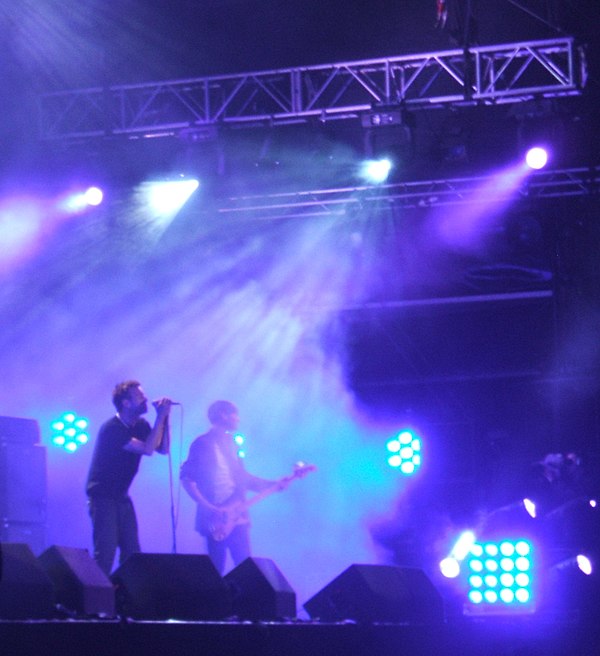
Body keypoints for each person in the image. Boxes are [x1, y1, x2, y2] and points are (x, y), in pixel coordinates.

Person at [180, 400, 281, 574]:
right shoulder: (202, 443)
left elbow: (244, 478)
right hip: (215, 518)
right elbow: (186, 478)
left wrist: (274, 484)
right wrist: (208, 507)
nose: (238, 419)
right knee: (215, 572)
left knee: (246, 571)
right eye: (235, 414)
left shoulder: (233, 443)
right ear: (223, 415)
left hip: (237, 515)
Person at [86, 380, 173, 575]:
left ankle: (125, 600)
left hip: (122, 497)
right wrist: (160, 416)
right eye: (140, 397)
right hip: (102, 497)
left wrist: (166, 419)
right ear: (126, 403)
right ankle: (96, 601)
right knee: (105, 553)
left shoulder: (140, 425)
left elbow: (163, 448)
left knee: (132, 554)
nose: (146, 400)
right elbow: (147, 449)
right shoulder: (112, 428)